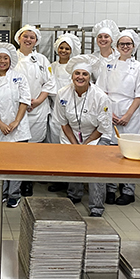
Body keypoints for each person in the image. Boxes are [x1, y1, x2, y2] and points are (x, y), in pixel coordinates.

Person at [52, 60, 111, 217]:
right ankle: (74, 195)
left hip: (97, 135)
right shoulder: (62, 93)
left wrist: (85, 144)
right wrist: (75, 144)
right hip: (71, 133)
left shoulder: (100, 97)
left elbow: (102, 127)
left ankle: (96, 206)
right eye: (77, 73)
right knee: (73, 163)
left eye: (84, 74)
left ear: (89, 76)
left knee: (96, 169)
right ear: (72, 76)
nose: (80, 77)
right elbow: (63, 122)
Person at [0, 42, 31, 208]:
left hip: (19, 127)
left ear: (10, 60)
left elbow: (24, 100)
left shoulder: (20, 77)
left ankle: (14, 194)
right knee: (0, 163)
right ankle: (0, 192)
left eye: (5, 58)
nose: (2, 61)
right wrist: (1, 124)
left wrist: (16, 121)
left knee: (17, 163)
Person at [103, 30, 140, 206]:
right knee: (111, 152)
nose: (125, 47)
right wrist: (110, 113)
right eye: (122, 44)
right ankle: (110, 188)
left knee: (130, 153)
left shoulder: (139, 68)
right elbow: (103, 91)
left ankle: (128, 190)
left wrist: (128, 114)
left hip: (131, 112)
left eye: (128, 44)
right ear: (116, 46)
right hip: (111, 110)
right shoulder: (109, 65)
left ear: (134, 46)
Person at [13, 24, 57, 196]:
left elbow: (50, 82)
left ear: (36, 41)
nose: (28, 40)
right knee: (18, 148)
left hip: (37, 109)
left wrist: (38, 101)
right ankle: (14, 182)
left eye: (32, 37)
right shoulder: (11, 57)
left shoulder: (42, 60)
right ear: (19, 38)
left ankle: (27, 182)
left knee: (33, 148)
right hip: (16, 109)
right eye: (26, 36)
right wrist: (21, 104)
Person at [47, 33, 82, 193]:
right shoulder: (51, 66)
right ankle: (59, 180)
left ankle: (71, 182)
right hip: (55, 110)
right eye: (61, 47)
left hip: (72, 112)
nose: (64, 50)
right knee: (56, 149)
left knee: (70, 149)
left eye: (67, 48)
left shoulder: (76, 68)